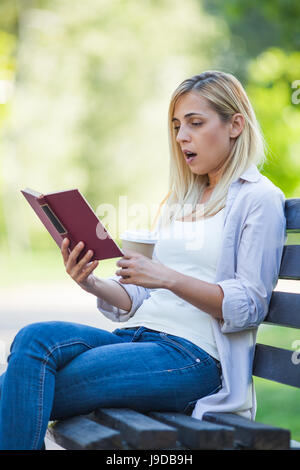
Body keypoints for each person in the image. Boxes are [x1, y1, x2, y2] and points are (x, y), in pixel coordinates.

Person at [0, 71, 286, 450]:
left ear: (235, 124)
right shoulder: (180, 199)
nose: (182, 136)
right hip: (137, 339)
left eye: (195, 123)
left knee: (22, 387)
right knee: (34, 339)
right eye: (176, 126)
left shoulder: (258, 199)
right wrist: (91, 282)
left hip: (194, 357)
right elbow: (142, 298)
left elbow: (250, 304)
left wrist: (168, 277)